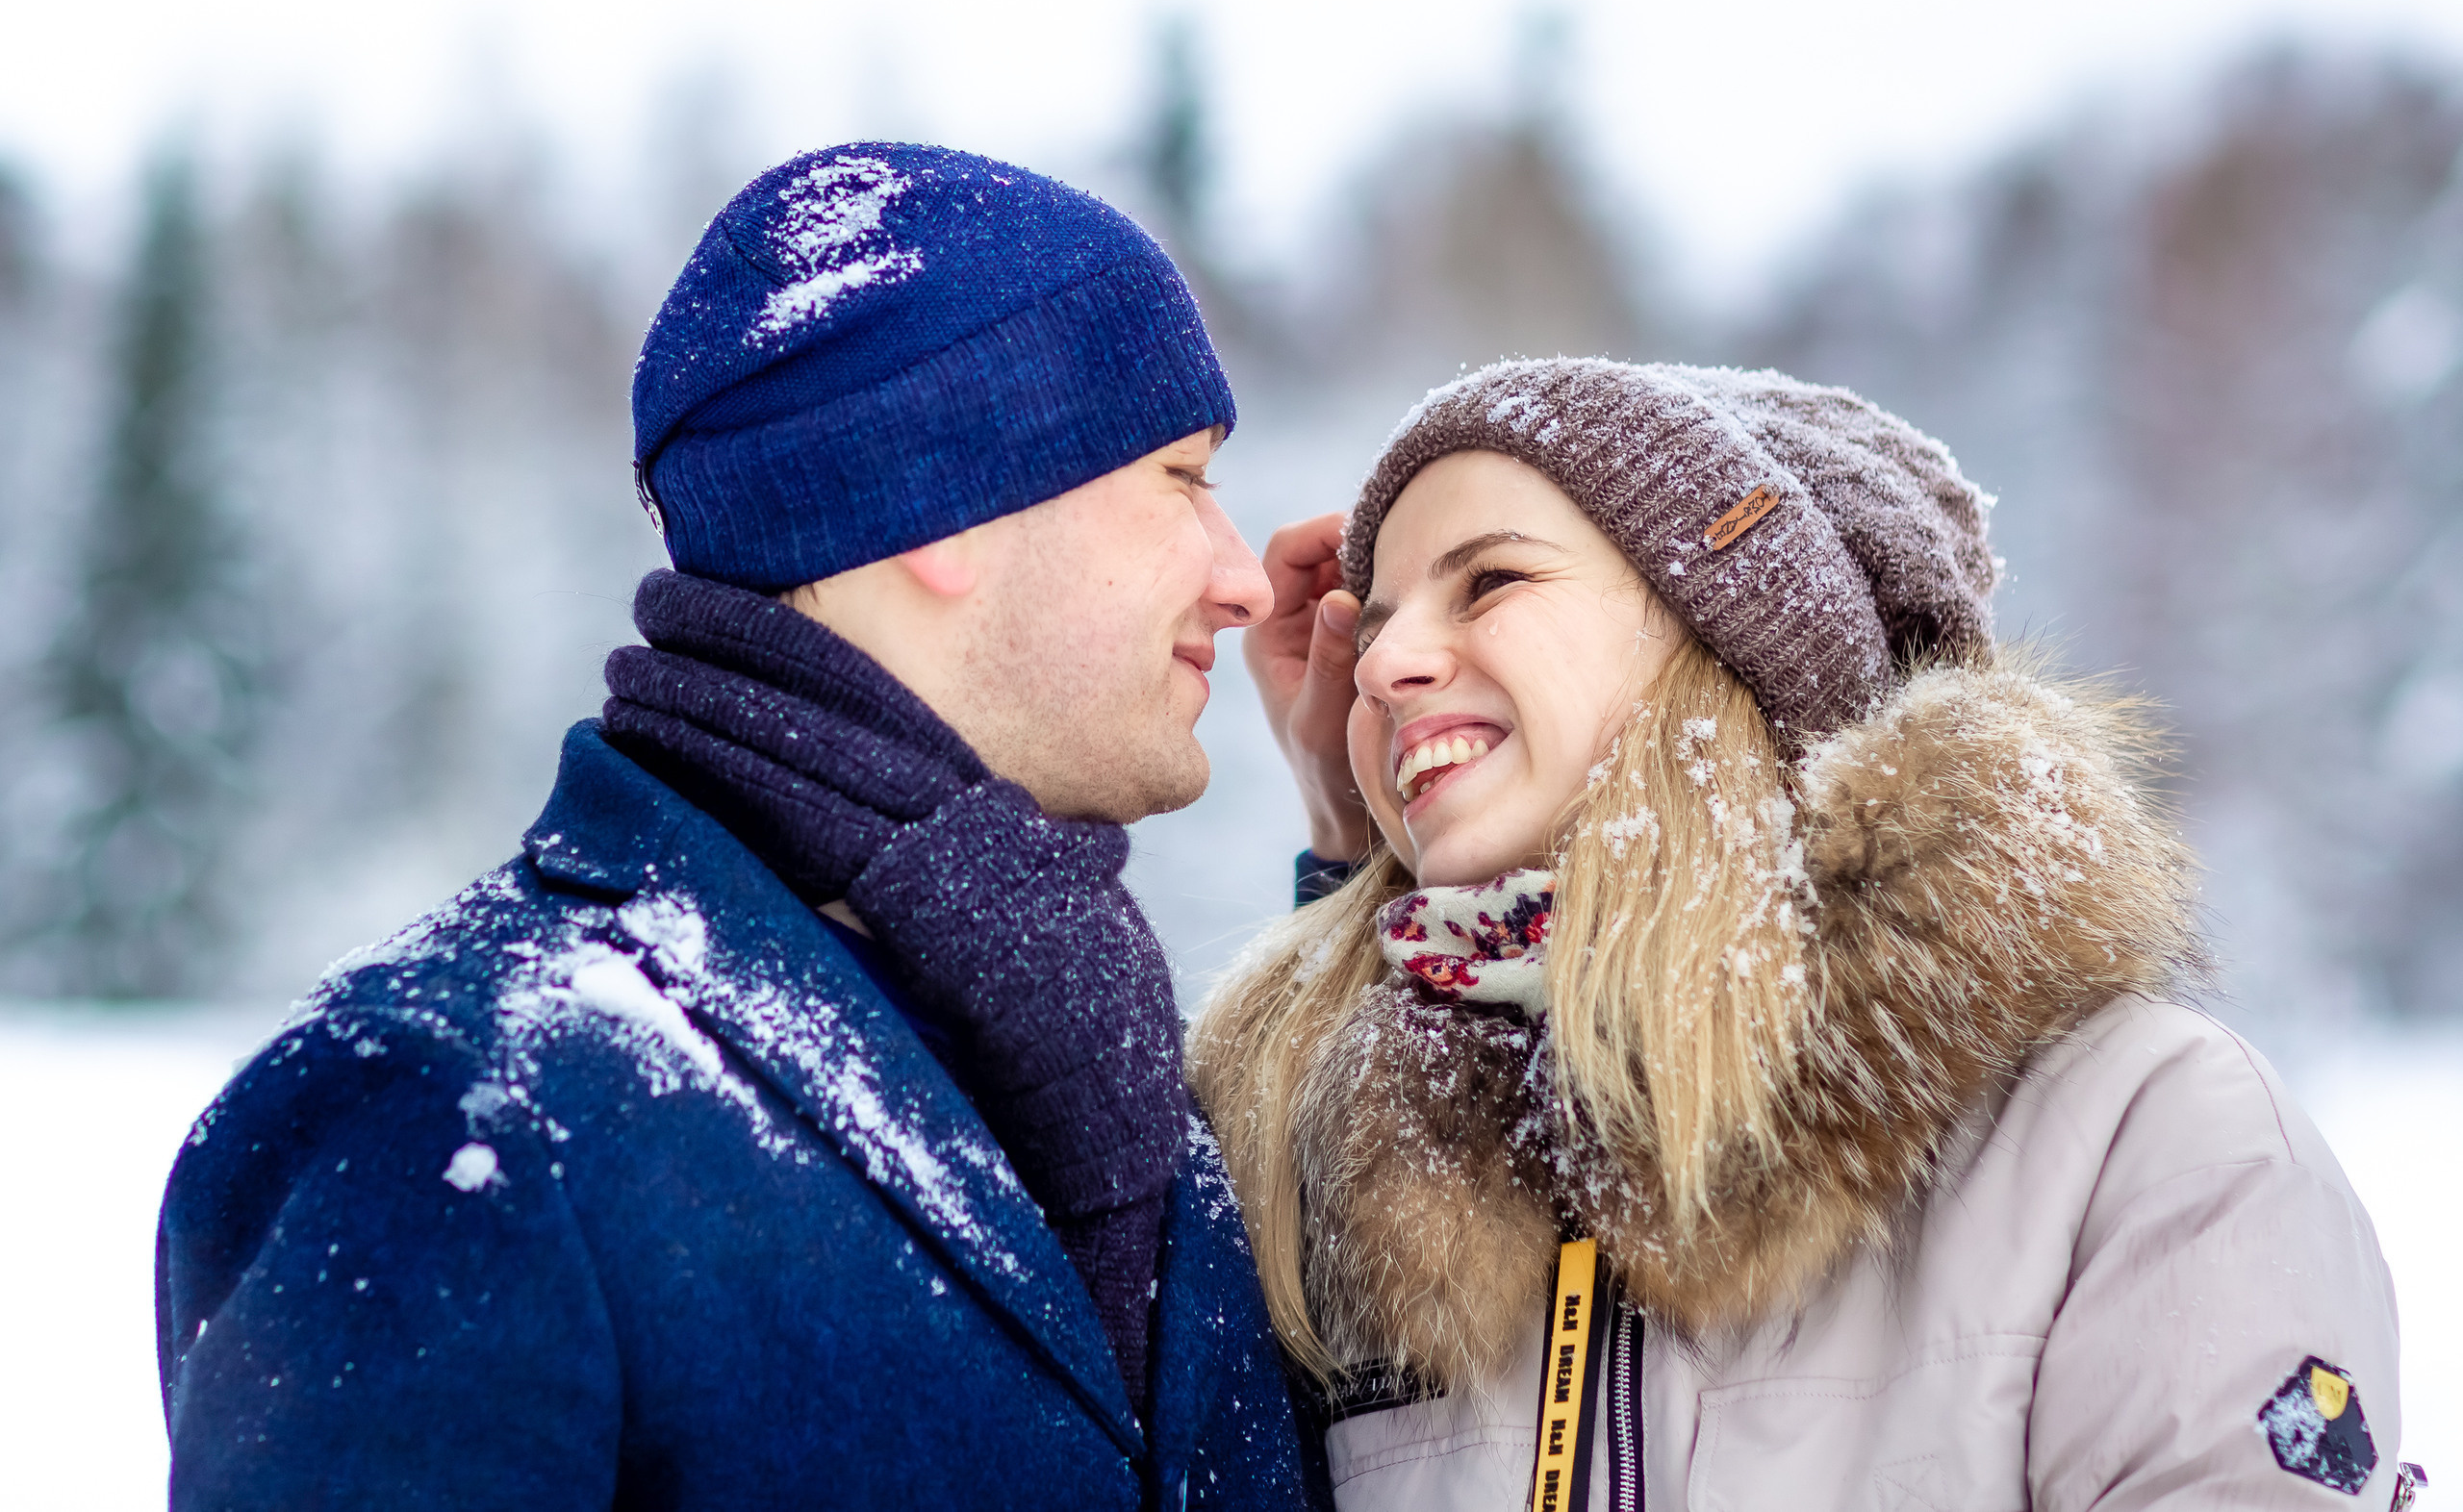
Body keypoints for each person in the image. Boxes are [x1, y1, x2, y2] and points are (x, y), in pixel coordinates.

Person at [155, 143, 1321, 1510]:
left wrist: (1385, 869)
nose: (1242, 575)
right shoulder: (458, 1101)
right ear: (943, 497)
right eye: (1183, 474)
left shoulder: (1114, 1083)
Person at [1192, 358, 2415, 1511]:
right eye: (1378, 621)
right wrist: (1343, 856)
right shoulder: (1365, 1179)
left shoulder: (2136, 1135)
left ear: (1732, 638)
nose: (1383, 660)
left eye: (1492, 581)